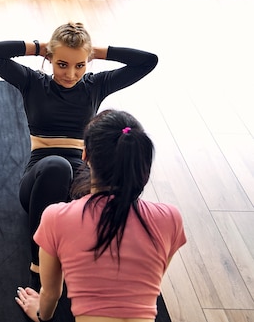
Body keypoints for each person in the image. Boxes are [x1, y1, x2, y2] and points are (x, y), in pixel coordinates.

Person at [0, 22, 158, 276]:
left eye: (80, 65)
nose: (71, 74)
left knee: (115, 175)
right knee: (57, 166)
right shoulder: (32, 82)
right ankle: (40, 260)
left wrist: (93, 51)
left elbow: (148, 61)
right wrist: (40, 47)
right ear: (50, 59)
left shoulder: (96, 86)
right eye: (62, 64)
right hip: (38, 182)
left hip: (81, 184)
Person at [15, 109, 186, 322]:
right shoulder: (171, 218)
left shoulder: (56, 217)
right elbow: (152, 280)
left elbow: (51, 294)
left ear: (84, 154)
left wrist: (41, 314)